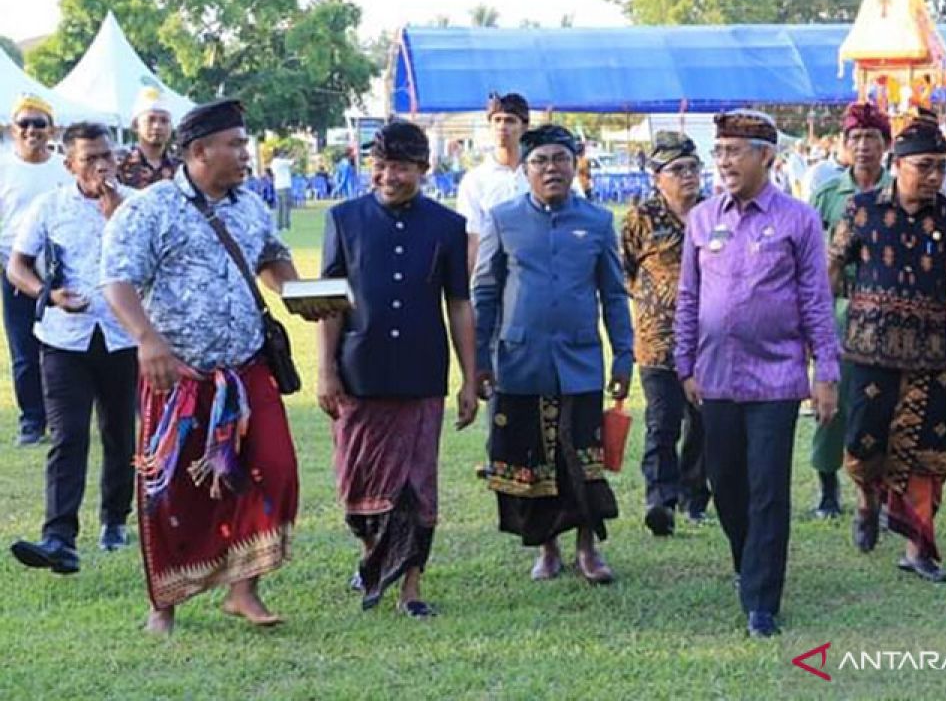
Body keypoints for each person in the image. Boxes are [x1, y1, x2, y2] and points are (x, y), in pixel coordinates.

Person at [102, 99, 322, 635]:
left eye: (245, 143)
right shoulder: (150, 209)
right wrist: (148, 341)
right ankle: (165, 605)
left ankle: (243, 591)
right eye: (237, 144)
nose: (247, 154)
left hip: (246, 370)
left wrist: (303, 294)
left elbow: (272, 260)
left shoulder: (251, 206)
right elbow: (117, 281)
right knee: (170, 489)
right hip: (177, 375)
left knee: (276, 467)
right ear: (200, 152)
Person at [675, 109, 839, 637]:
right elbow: (688, 297)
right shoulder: (702, 219)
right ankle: (749, 563)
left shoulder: (797, 219)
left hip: (778, 377)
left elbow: (816, 299)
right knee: (725, 482)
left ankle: (762, 598)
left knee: (768, 486)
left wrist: (826, 371)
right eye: (718, 152)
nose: (723, 162)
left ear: (766, 156)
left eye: (734, 151)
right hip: (716, 375)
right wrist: (684, 364)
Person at [829, 112, 946, 583]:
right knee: (864, 449)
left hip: (930, 358)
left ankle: (917, 548)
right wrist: (818, 340)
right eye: (923, 166)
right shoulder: (861, 210)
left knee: (929, 452)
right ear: (898, 163)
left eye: (940, 168)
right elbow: (830, 268)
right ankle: (867, 502)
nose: (933, 177)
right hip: (868, 352)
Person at [317, 120, 478, 616]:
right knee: (358, 482)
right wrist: (325, 370)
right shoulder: (343, 218)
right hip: (359, 372)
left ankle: (411, 587)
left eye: (402, 167)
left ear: (424, 170)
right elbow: (329, 303)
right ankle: (372, 559)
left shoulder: (447, 227)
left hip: (420, 372)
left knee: (415, 485)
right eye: (381, 166)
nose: (390, 176)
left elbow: (458, 305)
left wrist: (470, 378)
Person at [473, 124, 633, 586]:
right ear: (525, 169)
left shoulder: (598, 221)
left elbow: (615, 295)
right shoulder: (502, 219)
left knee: (580, 456)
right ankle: (548, 548)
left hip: (579, 361)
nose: (551, 169)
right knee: (531, 457)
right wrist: (480, 359)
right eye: (540, 161)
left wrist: (624, 356)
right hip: (519, 362)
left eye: (559, 159)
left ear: (574, 164)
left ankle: (588, 546)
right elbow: (485, 291)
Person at [7, 122, 135, 574]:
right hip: (64, 337)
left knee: (119, 431)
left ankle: (115, 518)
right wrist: (47, 294)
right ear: (69, 165)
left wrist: (116, 213)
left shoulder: (135, 206)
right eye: (89, 159)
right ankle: (58, 536)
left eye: (107, 156)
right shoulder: (49, 206)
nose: (101, 166)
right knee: (68, 434)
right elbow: (17, 266)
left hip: (122, 337)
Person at [621, 131, 709, 536]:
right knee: (662, 423)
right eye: (677, 170)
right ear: (658, 177)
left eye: (693, 168)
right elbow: (625, 273)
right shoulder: (641, 219)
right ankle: (660, 501)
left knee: (704, 422)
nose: (688, 176)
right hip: (657, 342)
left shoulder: (715, 213)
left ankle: (695, 498)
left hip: (710, 340)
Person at [807, 102, 892, 519]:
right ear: (843, 145)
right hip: (840, 306)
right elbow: (811, 256)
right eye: (855, 139)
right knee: (832, 398)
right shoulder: (828, 194)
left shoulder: (901, 188)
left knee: (883, 403)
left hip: (889, 307)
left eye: (871, 139)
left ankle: (880, 488)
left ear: (886, 145)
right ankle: (827, 486)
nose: (862, 147)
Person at [0, 95, 71, 446]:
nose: (31, 130)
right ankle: (31, 421)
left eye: (38, 123)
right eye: (24, 123)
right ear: (13, 130)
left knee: (62, 346)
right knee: (24, 351)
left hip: (63, 269)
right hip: (15, 270)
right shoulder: (3, 168)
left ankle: (63, 417)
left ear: (52, 129)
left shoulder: (65, 168)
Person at [458, 92, 530, 273]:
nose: (502, 127)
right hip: (494, 274)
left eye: (510, 120)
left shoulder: (540, 174)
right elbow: (472, 237)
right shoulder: (475, 181)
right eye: (497, 120)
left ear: (524, 126)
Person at [117, 87, 180, 189]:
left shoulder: (181, 169)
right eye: (151, 120)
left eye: (164, 121)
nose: (157, 126)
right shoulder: (121, 165)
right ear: (135, 125)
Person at [270, 149, 294, 230]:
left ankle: (279, 224)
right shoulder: (281, 162)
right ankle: (286, 225)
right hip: (285, 186)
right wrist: (295, 154)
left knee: (279, 207)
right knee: (286, 206)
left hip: (277, 186)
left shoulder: (273, 162)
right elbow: (292, 162)